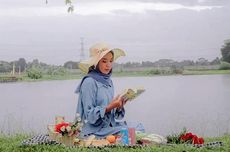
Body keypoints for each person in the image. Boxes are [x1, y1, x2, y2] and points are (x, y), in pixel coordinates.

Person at [75, 43, 128, 138]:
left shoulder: (109, 81)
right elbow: (89, 116)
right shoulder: (89, 82)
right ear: (96, 63)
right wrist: (110, 107)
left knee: (138, 126)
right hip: (92, 130)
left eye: (111, 61)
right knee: (130, 131)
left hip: (108, 126)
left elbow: (114, 115)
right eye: (104, 61)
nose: (108, 65)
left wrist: (119, 106)